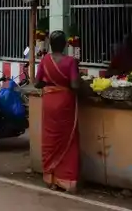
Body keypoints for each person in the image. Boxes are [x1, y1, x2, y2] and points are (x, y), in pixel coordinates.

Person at [34, 30, 81, 193]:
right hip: (64, 102)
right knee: (68, 139)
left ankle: (51, 179)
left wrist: (49, 83)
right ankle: (67, 181)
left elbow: (37, 83)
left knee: (50, 139)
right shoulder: (70, 62)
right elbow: (75, 85)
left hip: (49, 101)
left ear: (50, 45)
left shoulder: (45, 60)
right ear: (66, 44)